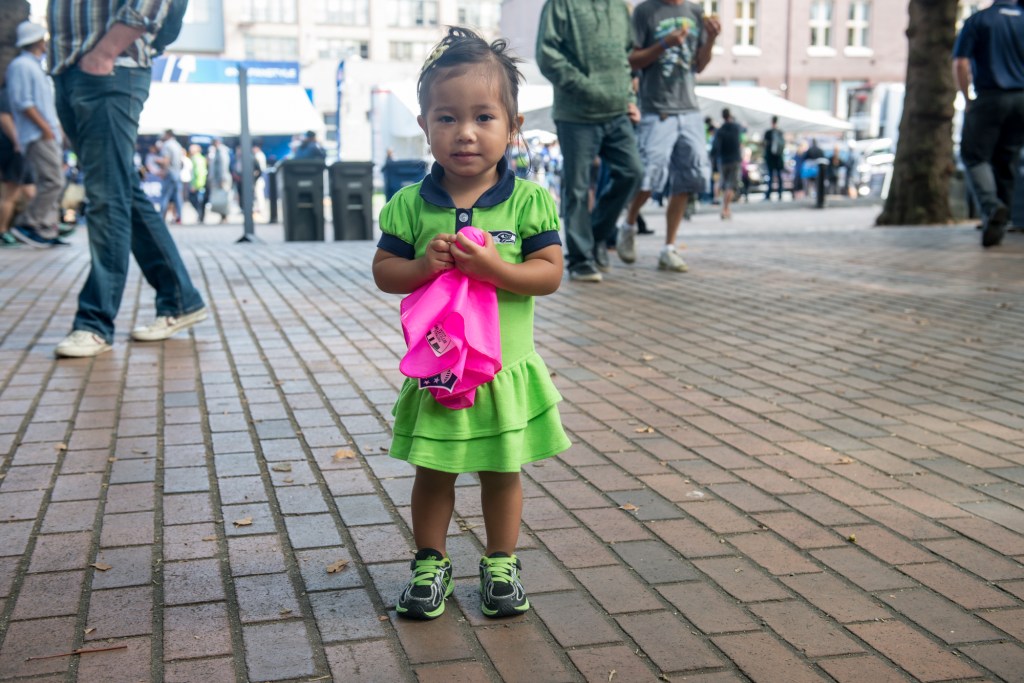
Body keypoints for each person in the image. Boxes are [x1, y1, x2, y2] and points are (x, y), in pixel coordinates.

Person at [372, 27, 570, 621]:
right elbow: (384, 272)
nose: (464, 132)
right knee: (433, 471)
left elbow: (550, 273)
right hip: (439, 372)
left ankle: (501, 563)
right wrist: (417, 266)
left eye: (484, 116)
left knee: (501, 472)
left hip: (502, 371)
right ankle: (429, 563)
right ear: (426, 125)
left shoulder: (529, 202)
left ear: (512, 127)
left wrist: (494, 268)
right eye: (446, 117)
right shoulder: (411, 203)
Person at [48, 1, 207, 357]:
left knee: (107, 198)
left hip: (109, 66)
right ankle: (180, 299)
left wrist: (106, 51)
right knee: (120, 190)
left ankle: (94, 323)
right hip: (69, 66)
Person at [536, 0, 643, 283]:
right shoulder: (561, 5)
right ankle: (581, 260)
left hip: (618, 112)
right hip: (576, 114)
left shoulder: (619, 7)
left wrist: (630, 98)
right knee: (578, 188)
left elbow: (627, 56)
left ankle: (594, 237)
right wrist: (587, 88)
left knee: (632, 172)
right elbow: (547, 55)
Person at [615, 0, 721, 272]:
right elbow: (631, 60)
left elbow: (699, 65)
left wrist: (711, 38)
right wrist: (664, 44)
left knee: (689, 176)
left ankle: (669, 248)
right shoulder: (645, 11)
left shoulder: (696, 11)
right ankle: (628, 225)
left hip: (690, 109)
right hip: (656, 109)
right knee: (650, 176)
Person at [953, 0, 1024, 248]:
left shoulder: (979, 21)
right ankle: (999, 225)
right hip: (1021, 100)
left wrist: (966, 97)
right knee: (1008, 159)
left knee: (973, 155)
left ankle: (992, 207)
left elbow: (960, 63)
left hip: (990, 97)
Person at [5, 21, 66, 248]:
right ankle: (29, 224)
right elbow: (24, 103)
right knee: (53, 181)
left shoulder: (33, 66)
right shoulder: (22, 66)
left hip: (44, 133)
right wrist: (46, 129)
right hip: (37, 134)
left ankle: (44, 228)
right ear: (38, 40)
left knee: (49, 181)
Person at [0, 83, 29, 247]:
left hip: (17, 146)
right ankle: (3, 231)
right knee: (10, 193)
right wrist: (17, 141)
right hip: (12, 146)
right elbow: (4, 116)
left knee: (30, 191)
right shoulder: (7, 92)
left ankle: (33, 226)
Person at [711, 107, 742, 220]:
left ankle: (719, 203)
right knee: (731, 186)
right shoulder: (736, 128)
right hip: (734, 160)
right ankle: (726, 209)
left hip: (723, 160)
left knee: (722, 182)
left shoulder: (720, 130)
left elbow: (715, 148)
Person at [157, 129, 184, 224]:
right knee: (177, 197)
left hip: (170, 174)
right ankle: (180, 218)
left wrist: (162, 170)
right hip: (177, 174)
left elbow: (166, 160)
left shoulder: (167, 145)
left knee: (165, 196)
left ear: (168, 135)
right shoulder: (177, 145)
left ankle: (161, 218)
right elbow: (181, 162)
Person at [206, 137, 232, 223]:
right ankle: (223, 216)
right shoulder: (217, 152)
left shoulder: (221, 152)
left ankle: (224, 217)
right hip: (219, 179)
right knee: (221, 198)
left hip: (222, 179)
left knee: (223, 198)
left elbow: (223, 167)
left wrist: (222, 179)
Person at [762, 115, 786, 201]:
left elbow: (764, 145)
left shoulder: (768, 133)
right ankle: (780, 193)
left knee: (771, 176)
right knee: (779, 176)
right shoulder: (780, 132)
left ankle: (769, 194)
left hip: (771, 159)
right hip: (778, 159)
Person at [187, 143, 207, 222]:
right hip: (199, 183)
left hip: (198, 184)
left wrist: (196, 185)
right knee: (200, 202)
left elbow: (199, 173)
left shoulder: (196, 159)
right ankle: (200, 216)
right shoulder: (199, 158)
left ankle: (200, 216)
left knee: (197, 201)